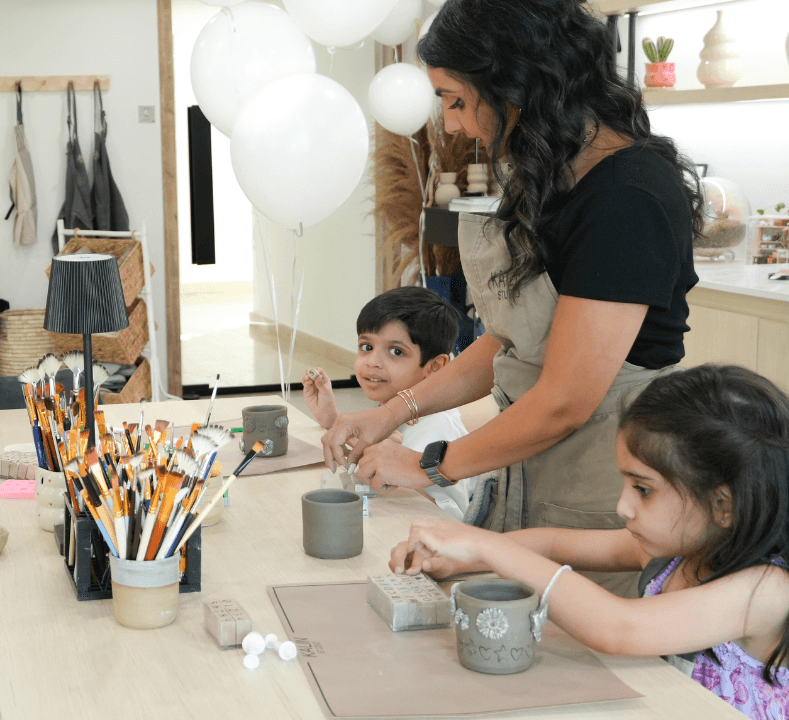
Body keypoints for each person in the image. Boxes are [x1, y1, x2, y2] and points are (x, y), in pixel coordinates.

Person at [320, 0, 704, 594]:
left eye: (454, 99)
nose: (449, 125)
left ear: (515, 83)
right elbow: (511, 341)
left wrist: (429, 463)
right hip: (530, 469)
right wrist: (390, 413)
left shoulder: (628, 197)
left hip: (604, 487)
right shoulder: (551, 175)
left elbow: (564, 401)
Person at [389, 365, 788, 720]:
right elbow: (552, 544)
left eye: (643, 490)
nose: (623, 507)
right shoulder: (681, 552)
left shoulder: (764, 591)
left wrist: (487, 547)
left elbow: (619, 627)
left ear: (722, 505)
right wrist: (459, 560)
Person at [303, 286, 475, 519]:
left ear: (434, 367)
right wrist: (333, 421)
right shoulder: (389, 411)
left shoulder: (439, 430)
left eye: (395, 351)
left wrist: (403, 477)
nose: (372, 361)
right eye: (367, 347)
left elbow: (454, 517)